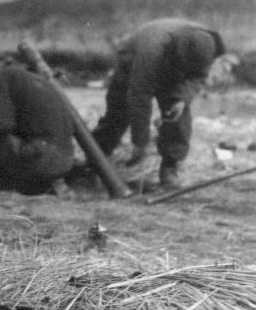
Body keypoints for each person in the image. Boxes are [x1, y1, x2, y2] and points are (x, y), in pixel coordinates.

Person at [91, 18, 225, 187]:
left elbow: (198, 76)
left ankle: (170, 167)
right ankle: (93, 162)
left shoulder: (208, 45)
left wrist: (183, 99)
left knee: (177, 114)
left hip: (173, 65)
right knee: (118, 115)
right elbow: (139, 96)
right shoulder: (151, 50)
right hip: (132, 59)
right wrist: (140, 142)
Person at [0, 63, 75, 195]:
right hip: (65, 160)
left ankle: (1, 182)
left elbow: (0, 125)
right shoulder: (27, 79)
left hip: (42, 163)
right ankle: (42, 182)